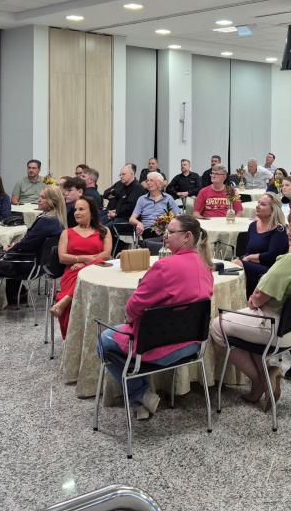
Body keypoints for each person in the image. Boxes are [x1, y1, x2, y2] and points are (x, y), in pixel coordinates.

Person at [209, 210, 291, 410]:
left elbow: (258, 298)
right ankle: (264, 377)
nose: (289, 232)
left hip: (276, 328)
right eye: (290, 227)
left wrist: (254, 300)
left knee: (217, 326)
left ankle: (260, 380)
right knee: (244, 326)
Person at [98, 215, 214, 420]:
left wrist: (131, 319)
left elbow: (132, 308)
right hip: (193, 345)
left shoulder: (164, 266)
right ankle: (141, 403)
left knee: (103, 340)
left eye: (171, 232)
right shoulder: (205, 267)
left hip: (159, 348)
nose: (165, 236)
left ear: (187, 236)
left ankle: (140, 396)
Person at [0, 186, 67, 319]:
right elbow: (31, 242)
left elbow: (27, 244)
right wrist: (15, 246)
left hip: (27, 265)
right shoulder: (56, 220)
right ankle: (0, 301)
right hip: (40, 265)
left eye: (43, 197)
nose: (38, 200)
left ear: (52, 201)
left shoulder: (46, 221)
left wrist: (10, 249)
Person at [46, 197, 113, 337]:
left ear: (91, 212)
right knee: (79, 280)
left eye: (81, 209)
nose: (76, 212)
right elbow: (62, 257)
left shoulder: (104, 231)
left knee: (90, 269)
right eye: (76, 209)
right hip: (72, 272)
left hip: (97, 272)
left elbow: (106, 255)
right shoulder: (67, 233)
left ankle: (65, 300)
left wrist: (84, 264)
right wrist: (83, 259)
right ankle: (73, 338)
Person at [231, 192, 289, 294]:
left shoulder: (279, 230)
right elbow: (248, 250)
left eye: (263, 204)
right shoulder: (253, 226)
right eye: (258, 203)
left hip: (271, 271)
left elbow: (272, 257)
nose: (257, 206)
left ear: (273, 210)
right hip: (252, 265)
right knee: (231, 266)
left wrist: (250, 258)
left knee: (236, 264)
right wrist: (246, 258)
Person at [129, 172, 179, 239]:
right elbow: (131, 219)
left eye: (151, 180)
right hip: (148, 230)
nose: (148, 183)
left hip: (164, 231)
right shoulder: (142, 199)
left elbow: (178, 216)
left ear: (159, 183)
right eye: (147, 181)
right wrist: (139, 223)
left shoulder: (168, 198)